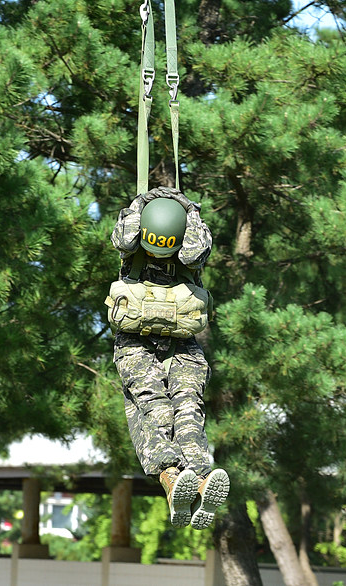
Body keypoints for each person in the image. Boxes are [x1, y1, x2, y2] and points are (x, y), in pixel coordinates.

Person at [109, 185, 229, 530]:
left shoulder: (191, 233)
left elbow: (193, 255)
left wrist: (189, 212)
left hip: (181, 342)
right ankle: (172, 476)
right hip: (135, 341)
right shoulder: (133, 229)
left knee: (188, 405)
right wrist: (141, 204)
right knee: (156, 405)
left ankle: (200, 478)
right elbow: (122, 241)